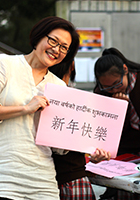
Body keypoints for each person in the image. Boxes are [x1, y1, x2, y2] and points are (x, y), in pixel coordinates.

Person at [0, 16, 80, 200]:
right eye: (53, 40)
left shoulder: (59, 86)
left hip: (42, 182)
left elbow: (58, 148)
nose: (56, 49)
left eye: (64, 47)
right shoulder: (4, 63)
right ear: (38, 37)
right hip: (0, 179)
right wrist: (25, 109)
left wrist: (91, 148)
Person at [93, 47, 140, 200]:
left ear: (125, 70)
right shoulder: (101, 93)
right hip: (122, 152)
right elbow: (109, 132)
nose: (112, 89)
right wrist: (118, 110)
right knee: (125, 193)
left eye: (117, 84)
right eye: (107, 86)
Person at [49, 59, 111, 200]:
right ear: (71, 66)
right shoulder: (74, 99)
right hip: (72, 181)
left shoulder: (33, 95)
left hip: (41, 182)